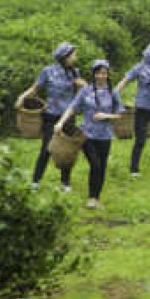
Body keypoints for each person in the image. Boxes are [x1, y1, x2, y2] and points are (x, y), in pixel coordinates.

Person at [16, 42, 85, 192]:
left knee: (66, 149)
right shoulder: (47, 71)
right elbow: (36, 88)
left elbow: (81, 93)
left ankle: (65, 183)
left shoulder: (75, 72)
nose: (75, 57)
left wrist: (81, 86)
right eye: (72, 54)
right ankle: (35, 181)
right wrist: (22, 97)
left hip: (67, 117)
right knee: (47, 148)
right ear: (64, 57)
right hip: (51, 116)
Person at [55, 59, 124, 209]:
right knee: (95, 164)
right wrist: (60, 122)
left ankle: (96, 197)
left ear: (107, 75)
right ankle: (91, 198)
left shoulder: (113, 92)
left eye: (104, 73)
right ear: (93, 74)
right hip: (87, 134)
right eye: (98, 73)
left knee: (102, 166)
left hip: (105, 135)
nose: (101, 76)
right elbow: (72, 107)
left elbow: (121, 114)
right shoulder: (85, 91)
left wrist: (106, 116)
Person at [116, 42, 150, 177]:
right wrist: (113, 95)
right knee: (140, 139)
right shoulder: (140, 67)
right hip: (142, 108)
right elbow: (125, 81)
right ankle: (134, 169)